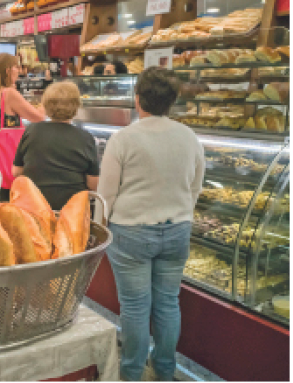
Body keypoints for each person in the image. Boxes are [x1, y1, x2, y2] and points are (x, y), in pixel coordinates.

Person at [97, 67, 205, 381]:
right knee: (168, 303)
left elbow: (106, 193)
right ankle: (165, 372)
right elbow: (195, 185)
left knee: (134, 307)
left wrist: (99, 230)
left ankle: (132, 373)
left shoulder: (123, 138)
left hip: (131, 231)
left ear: (138, 99)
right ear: (171, 102)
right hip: (177, 229)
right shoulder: (189, 136)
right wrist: (182, 212)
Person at [12, 81, 99, 210]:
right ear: (76, 106)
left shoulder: (32, 131)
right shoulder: (86, 138)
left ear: (46, 105)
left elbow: (16, 172)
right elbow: (93, 184)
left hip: (35, 207)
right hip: (72, 210)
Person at [0, 52, 45, 201]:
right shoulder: (10, 94)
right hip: (10, 153)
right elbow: (39, 117)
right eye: (16, 67)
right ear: (7, 70)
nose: (18, 70)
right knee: (10, 198)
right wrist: (45, 103)